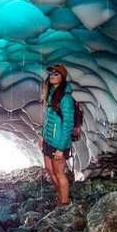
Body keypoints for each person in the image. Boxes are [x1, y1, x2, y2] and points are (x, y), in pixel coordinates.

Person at [38, 64, 74, 205]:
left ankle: (64, 204)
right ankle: (60, 196)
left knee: (59, 173)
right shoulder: (52, 93)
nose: (52, 75)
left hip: (59, 143)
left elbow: (68, 125)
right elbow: (48, 118)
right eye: (51, 73)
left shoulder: (66, 99)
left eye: (56, 73)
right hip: (48, 140)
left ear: (62, 77)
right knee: (49, 169)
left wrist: (61, 148)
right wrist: (42, 135)